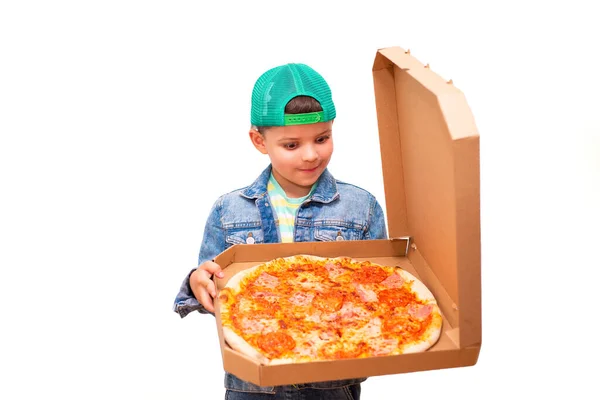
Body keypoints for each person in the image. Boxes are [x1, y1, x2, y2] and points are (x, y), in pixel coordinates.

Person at [173, 62, 387, 399]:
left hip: (331, 384)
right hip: (253, 386)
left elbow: (383, 289)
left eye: (322, 138)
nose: (311, 154)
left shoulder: (364, 207)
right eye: (291, 145)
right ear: (259, 140)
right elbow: (209, 286)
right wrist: (197, 281)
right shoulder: (227, 211)